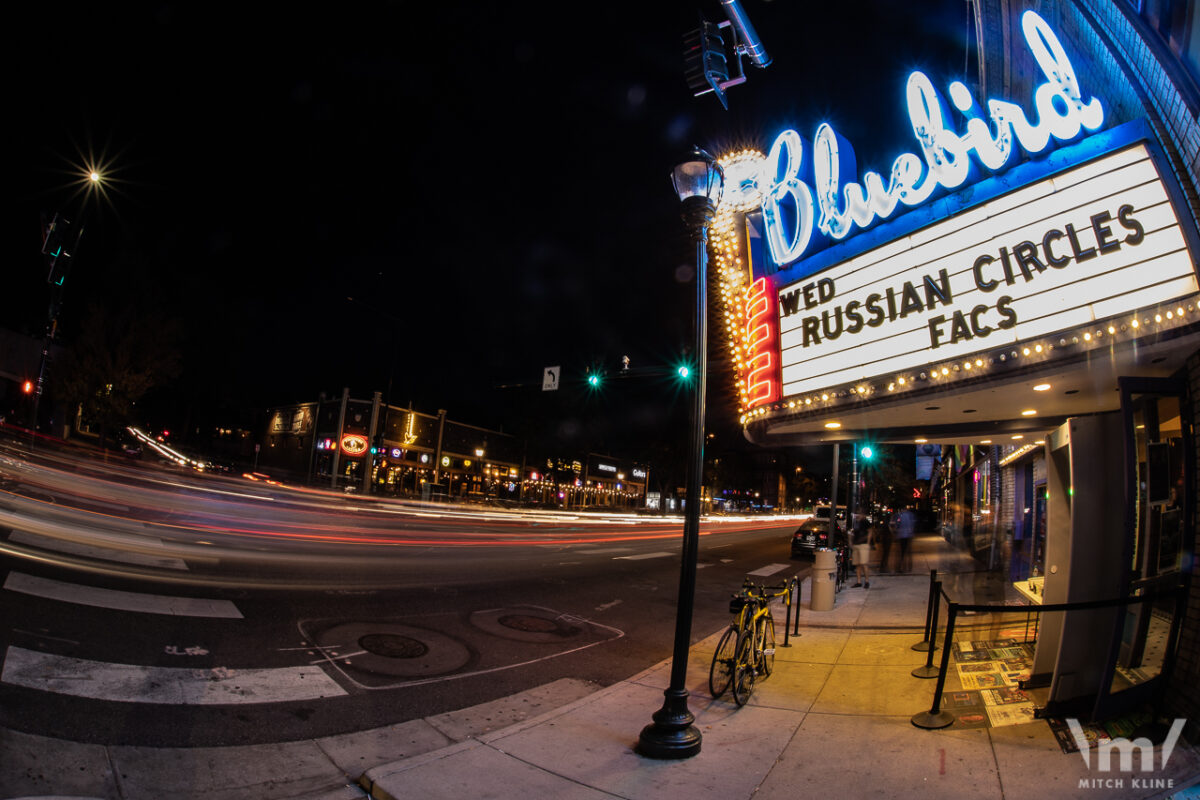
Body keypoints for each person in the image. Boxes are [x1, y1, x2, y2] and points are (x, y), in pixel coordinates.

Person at [850, 512, 874, 588]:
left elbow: (870, 531)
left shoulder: (865, 522)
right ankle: (859, 581)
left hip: (863, 544)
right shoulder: (855, 522)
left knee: (864, 563)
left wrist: (868, 542)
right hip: (856, 544)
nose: (857, 516)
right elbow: (852, 532)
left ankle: (866, 581)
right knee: (858, 564)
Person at [895, 505, 916, 573]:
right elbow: (913, 524)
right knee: (908, 551)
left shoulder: (900, 516)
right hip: (909, 535)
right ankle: (909, 567)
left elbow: (897, 524)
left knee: (902, 552)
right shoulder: (910, 515)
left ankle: (901, 567)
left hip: (902, 535)